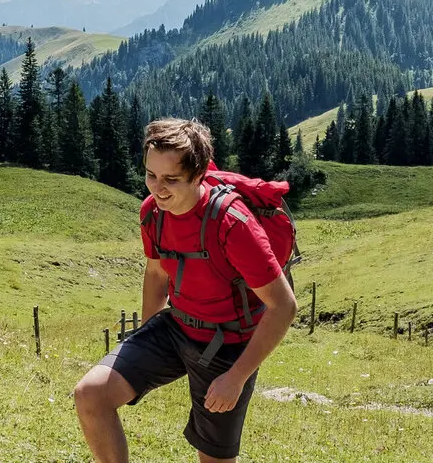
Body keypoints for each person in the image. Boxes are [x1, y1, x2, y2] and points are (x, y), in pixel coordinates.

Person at [72, 118, 298, 463]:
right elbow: (157, 273)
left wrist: (236, 377)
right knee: (91, 395)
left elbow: (283, 307)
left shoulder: (232, 224)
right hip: (176, 327)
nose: (157, 189)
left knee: (214, 459)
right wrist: (144, 338)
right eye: (151, 175)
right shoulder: (153, 213)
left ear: (198, 174)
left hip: (228, 345)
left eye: (170, 179)